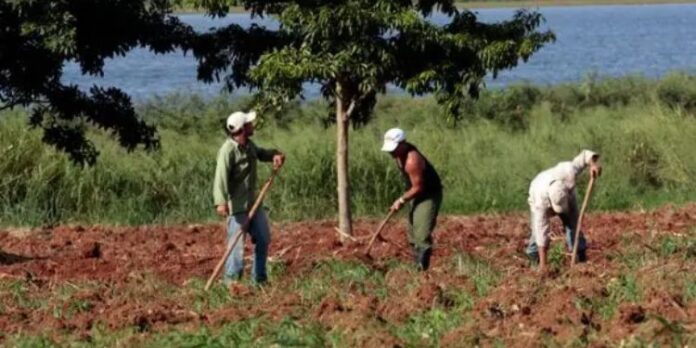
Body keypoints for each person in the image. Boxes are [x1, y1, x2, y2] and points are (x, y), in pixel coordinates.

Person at [213, 110, 285, 285]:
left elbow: (261, 153)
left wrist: (274, 154)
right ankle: (231, 284)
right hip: (237, 207)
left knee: (263, 238)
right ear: (243, 129)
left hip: (253, 204)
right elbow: (220, 177)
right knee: (236, 249)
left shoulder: (249, 146)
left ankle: (259, 280)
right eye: (249, 124)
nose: (253, 125)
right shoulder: (228, 151)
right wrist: (220, 202)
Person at [526, 149, 601, 272]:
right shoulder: (540, 201)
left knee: (573, 225)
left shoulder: (568, 172)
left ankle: (580, 258)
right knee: (536, 234)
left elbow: (584, 156)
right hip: (538, 193)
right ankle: (536, 260)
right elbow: (541, 232)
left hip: (567, 196)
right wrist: (544, 268)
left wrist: (593, 165)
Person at [381, 128, 443, 271]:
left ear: (403, 143)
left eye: (394, 149)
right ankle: (416, 266)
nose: (391, 152)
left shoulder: (412, 160)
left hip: (428, 194)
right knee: (412, 233)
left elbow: (418, 187)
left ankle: (421, 273)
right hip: (416, 193)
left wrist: (401, 200)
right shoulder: (398, 156)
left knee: (421, 234)